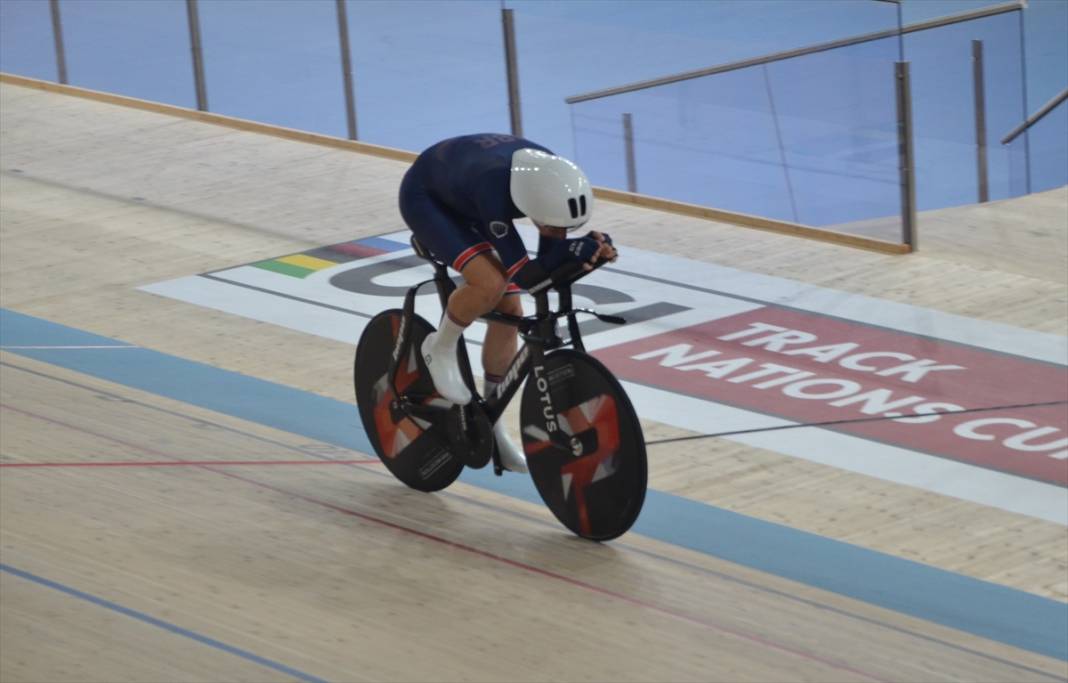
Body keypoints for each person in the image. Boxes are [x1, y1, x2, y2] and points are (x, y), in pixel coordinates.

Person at [398, 133, 617, 473]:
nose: (554, 230)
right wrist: (575, 253)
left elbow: (549, 255)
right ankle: (438, 346)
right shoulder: (494, 186)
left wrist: (587, 252)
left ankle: (494, 428)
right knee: (491, 283)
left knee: (510, 312)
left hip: (468, 192)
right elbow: (529, 275)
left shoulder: (551, 178)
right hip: (429, 199)